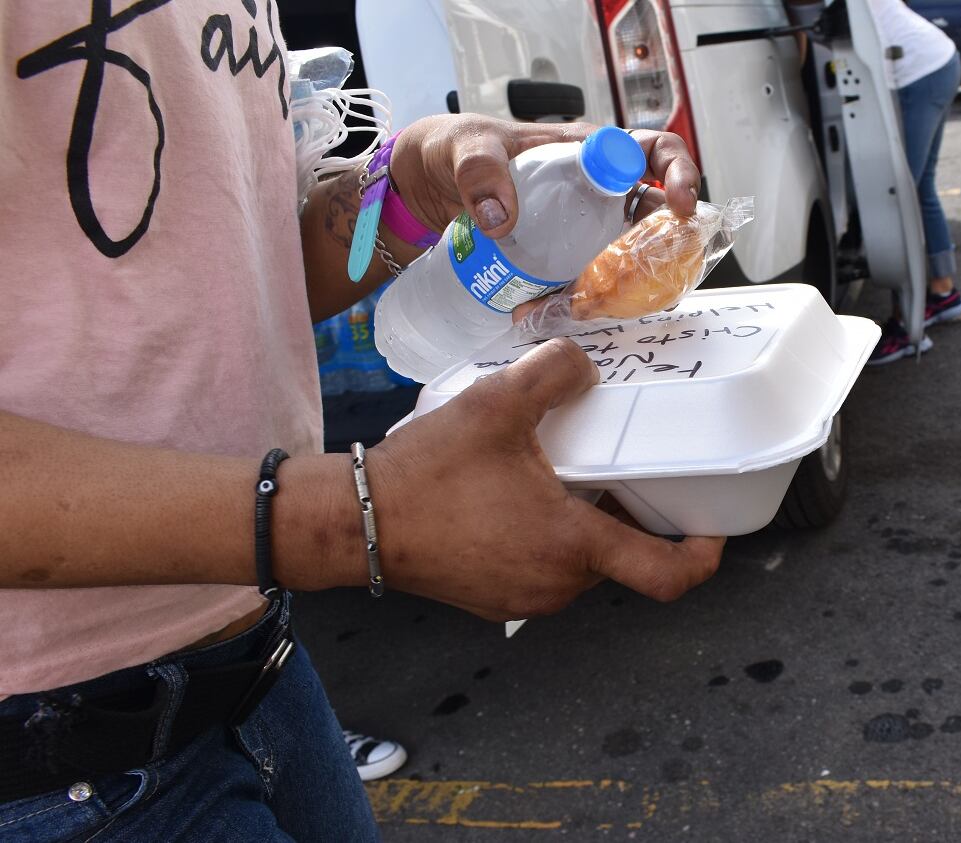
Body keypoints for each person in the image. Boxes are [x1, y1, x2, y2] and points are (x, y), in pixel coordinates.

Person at [0, 4, 721, 841]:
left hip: (255, 663)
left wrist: (406, 190)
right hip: (50, 759)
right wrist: (347, 520)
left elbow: (225, 277)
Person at [866, 0, 961, 365]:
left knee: (901, 196)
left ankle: (907, 324)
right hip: (937, 59)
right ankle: (943, 293)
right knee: (920, 185)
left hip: (921, 71)